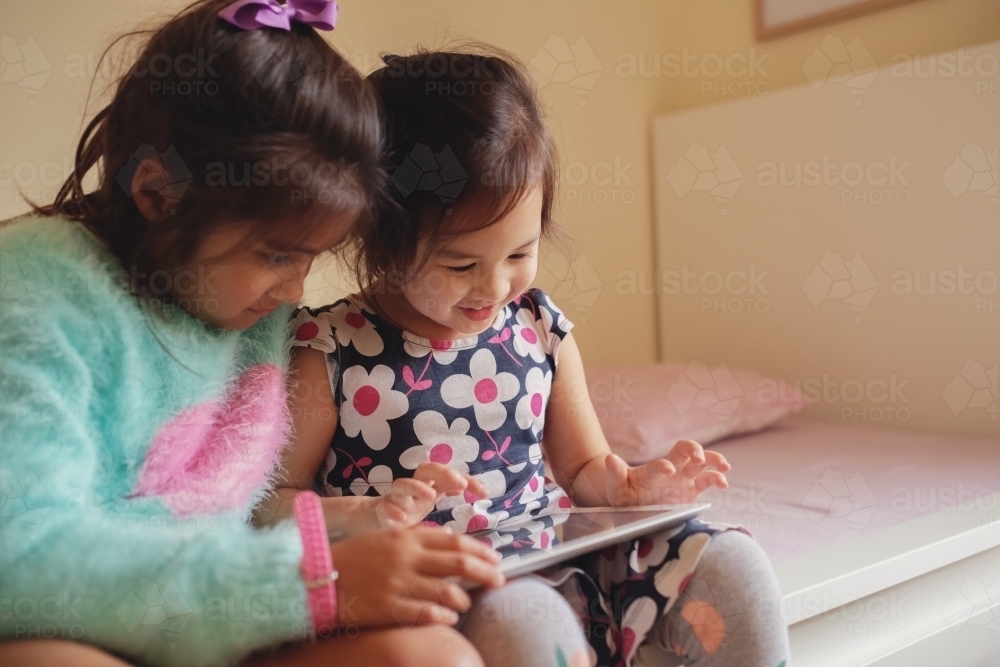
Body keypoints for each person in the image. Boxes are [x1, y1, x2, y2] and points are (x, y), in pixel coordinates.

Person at [0, 4, 505, 667]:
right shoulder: (36, 291)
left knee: (439, 655)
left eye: (311, 258)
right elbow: (21, 552)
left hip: (214, 626)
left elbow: (232, 514)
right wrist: (312, 582)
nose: (296, 292)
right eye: (276, 255)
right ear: (159, 192)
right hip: (72, 627)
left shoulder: (251, 314)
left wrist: (358, 522)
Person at [261, 49, 792, 667]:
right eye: (461, 265)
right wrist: (363, 515)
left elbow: (587, 467)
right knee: (528, 621)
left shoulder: (538, 329)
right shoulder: (329, 352)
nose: (493, 288)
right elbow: (265, 505)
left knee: (733, 566)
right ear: (380, 233)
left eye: (520, 254)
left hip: (559, 557)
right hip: (440, 585)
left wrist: (631, 487)